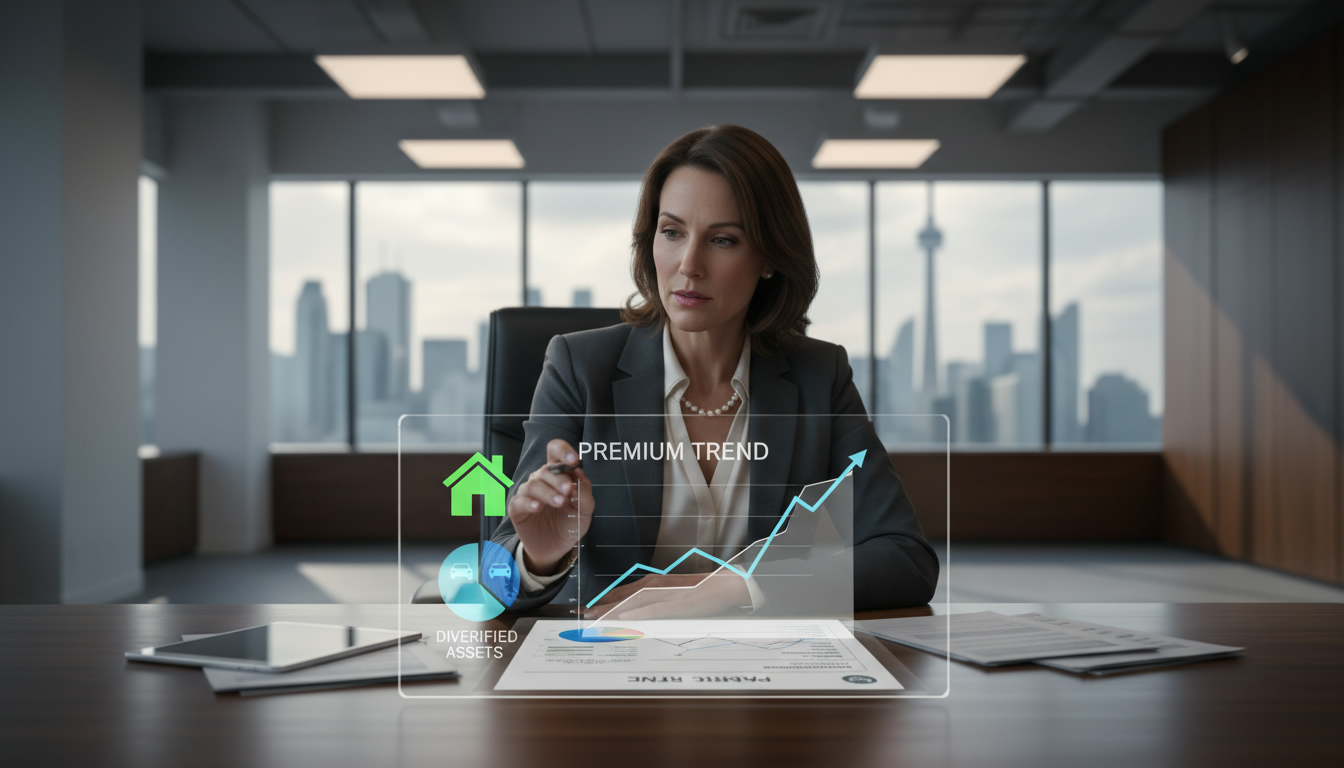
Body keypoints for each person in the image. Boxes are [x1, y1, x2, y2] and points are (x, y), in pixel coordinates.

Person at [491, 124, 938, 619]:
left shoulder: (818, 376)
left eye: (723, 239)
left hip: (766, 669)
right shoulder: (579, 368)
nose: (689, 264)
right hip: (611, 658)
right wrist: (539, 557)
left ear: (768, 257)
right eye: (672, 232)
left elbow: (905, 559)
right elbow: (496, 577)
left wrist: (737, 585)